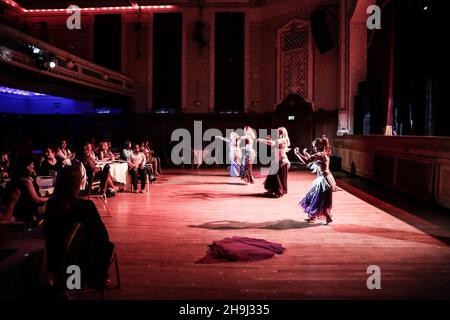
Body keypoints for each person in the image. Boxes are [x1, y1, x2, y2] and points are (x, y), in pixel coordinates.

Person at [44, 165, 114, 289]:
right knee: (103, 244)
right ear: (77, 184)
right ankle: (92, 280)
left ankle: (72, 285)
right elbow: (102, 236)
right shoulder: (85, 206)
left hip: (54, 259)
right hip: (81, 260)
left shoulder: (51, 204)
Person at [294, 136, 335, 225]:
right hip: (325, 178)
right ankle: (316, 217)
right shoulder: (325, 153)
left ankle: (324, 217)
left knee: (316, 198)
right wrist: (305, 153)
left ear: (320, 145)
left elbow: (307, 161)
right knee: (319, 199)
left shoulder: (319, 155)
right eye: (313, 146)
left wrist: (297, 153)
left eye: (315, 146)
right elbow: (312, 159)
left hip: (323, 180)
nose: (314, 148)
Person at [7, 154, 48, 222]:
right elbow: (36, 199)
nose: (33, 166)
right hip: (27, 211)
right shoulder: (26, 181)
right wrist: (52, 198)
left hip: (20, 209)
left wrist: (34, 176)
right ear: (26, 166)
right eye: (32, 164)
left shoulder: (19, 178)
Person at [258, 127, 291, 197]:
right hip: (276, 159)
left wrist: (262, 140)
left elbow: (272, 143)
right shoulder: (279, 139)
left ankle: (278, 191)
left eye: (279, 132)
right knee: (272, 175)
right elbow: (271, 143)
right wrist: (265, 140)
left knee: (277, 176)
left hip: (281, 160)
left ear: (282, 133)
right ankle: (272, 190)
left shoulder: (284, 139)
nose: (277, 133)